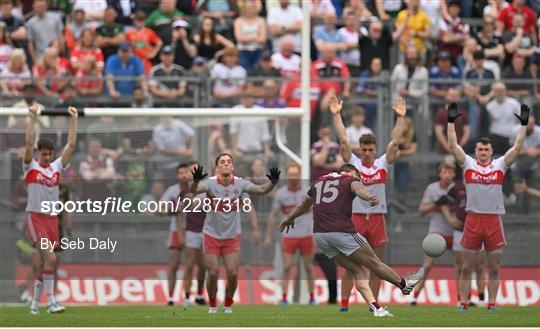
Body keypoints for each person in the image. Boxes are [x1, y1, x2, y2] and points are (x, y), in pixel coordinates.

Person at [279, 164, 423, 316]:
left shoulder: (318, 182)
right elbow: (360, 190)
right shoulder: (350, 180)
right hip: (342, 233)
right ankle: (404, 284)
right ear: (351, 173)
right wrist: (370, 197)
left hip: (320, 237)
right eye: (358, 176)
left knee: (356, 270)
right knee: (374, 263)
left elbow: (302, 206)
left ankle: (377, 309)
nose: (359, 179)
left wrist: (289, 218)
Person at [446, 102, 529, 311]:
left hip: (493, 219)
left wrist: (523, 125)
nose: (483, 152)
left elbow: (517, 147)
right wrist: (450, 123)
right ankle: (463, 302)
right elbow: (453, 146)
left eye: (486, 149)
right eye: (480, 149)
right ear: (475, 151)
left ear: (491, 152)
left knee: (494, 266)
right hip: (473, 219)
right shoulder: (468, 164)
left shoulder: (500, 164)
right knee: (466, 266)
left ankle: (491, 303)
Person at [331, 94, 406, 310]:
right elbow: (343, 140)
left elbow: (395, 143)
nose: (366, 153)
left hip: (376, 219)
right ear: (359, 150)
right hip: (354, 219)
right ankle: (344, 304)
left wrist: (400, 118)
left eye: (370, 149)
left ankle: (374, 305)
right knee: (351, 264)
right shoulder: (353, 164)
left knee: (377, 266)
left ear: (374, 149)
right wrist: (337, 115)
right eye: (363, 150)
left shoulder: (382, 163)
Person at [189, 154, 280, 313]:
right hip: (211, 235)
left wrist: (272, 182)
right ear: (217, 167)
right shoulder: (210, 184)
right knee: (213, 272)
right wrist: (195, 180)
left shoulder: (240, 184)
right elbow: (194, 190)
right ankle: (212, 305)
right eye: (222, 162)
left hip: (232, 237)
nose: (226, 164)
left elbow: (261, 189)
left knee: (232, 273)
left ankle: (228, 304)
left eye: (228, 162)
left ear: (232, 167)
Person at [25, 104, 78, 315]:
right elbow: (28, 142)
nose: (47, 157)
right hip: (36, 217)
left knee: (42, 262)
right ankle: (52, 303)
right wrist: (32, 119)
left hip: (52, 219)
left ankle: (34, 304)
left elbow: (71, 145)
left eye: (49, 154)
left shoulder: (56, 167)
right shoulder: (31, 167)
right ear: (39, 153)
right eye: (44, 154)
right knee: (52, 259)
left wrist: (74, 119)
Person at [263, 163, 317, 305]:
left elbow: (316, 213)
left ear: (299, 175)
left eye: (296, 174)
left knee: (309, 267)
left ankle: (312, 298)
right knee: (287, 266)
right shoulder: (281, 193)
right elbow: (273, 215)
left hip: (306, 233)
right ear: (287, 176)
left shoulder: (308, 192)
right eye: (291, 174)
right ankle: (285, 298)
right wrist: (268, 235)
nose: (293, 177)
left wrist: (317, 232)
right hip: (289, 235)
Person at [411, 162, 463, 305]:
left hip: (456, 231)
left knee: (460, 265)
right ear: (440, 174)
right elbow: (421, 210)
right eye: (444, 172)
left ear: (454, 174)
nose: (447, 175)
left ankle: (461, 299)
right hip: (437, 231)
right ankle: (415, 296)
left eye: (450, 172)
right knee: (427, 265)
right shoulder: (432, 188)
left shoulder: (459, 188)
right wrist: (436, 204)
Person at [158, 163, 206, 307]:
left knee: (202, 266)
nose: (185, 174)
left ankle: (199, 295)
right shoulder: (176, 191)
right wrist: (171, 214)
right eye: (183, 172)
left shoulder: (204, 188)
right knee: (180, 265)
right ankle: (175, 298)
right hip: (183, 230)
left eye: (188, 171)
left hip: (200, 230)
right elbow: (164, 209)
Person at [25, 0, 64, 65]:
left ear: (46, 6)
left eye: (42, 6)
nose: (40, 8)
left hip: (56, 56)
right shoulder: (30, 23)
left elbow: (60, 35)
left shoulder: (56, 18)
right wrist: (35, 60)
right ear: (33, 6)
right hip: (40, 58)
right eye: (38, 6)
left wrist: (63, 52)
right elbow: (30, 43)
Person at [233, 0, 266, 70]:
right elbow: (239, 39)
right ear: (243, 9)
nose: (249, 10)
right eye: (247, 8)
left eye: (251, 8)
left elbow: (262, 39)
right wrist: (255, 37)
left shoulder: (261, 20)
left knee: (257, 74)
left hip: (258, 51)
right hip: (243, 52)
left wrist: (246, 38)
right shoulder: (238, 21)